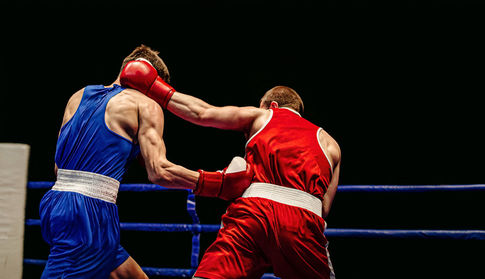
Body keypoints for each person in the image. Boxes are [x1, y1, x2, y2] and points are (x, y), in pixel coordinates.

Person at [39, 45, 253, 279]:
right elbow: (159, 171)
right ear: (152, 83)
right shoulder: (145, 104)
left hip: (55, 203)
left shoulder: (78, 96)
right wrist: (217, 184)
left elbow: (58, 167)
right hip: (89, 214)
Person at [120, 61, 341, 279]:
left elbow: (202, 113)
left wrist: (153, 86)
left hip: (254, 215)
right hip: (302, 224)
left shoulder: (262, 115)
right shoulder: (331, 144)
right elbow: (323, 210)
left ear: (270, 105)